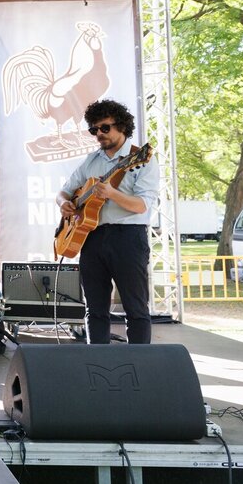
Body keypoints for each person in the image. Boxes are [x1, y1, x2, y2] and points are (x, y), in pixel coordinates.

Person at [56, 99, 160, 344]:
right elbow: (64, 192)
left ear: (122, 126)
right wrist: (63, 204)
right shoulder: (92, 161)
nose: (99, 134)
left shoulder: (141, 158)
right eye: (94, 129)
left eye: (105, 127)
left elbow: (142, 205)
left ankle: (139, 360)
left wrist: (112, 194)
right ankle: (97, 359)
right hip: (91, 237)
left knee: (135, 307)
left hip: (128, 238)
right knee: (94, 308)